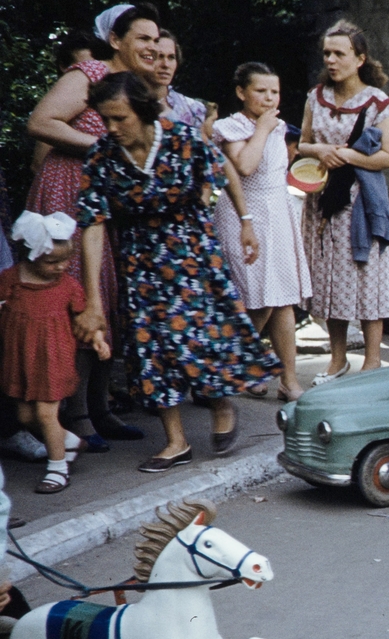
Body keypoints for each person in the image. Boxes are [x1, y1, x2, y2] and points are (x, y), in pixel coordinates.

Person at [77, 73, 279, 472]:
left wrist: (246, 221)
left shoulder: (181, 139)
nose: (112, 128)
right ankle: (176, 441)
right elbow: (93, 223)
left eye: (121, 118)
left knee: (195, 335)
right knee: (150, 347)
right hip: (139, 260)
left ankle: (222, 404)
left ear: (144, 111)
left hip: (190, 253)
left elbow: (221, 168)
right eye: (106, 119)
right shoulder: (101, 156)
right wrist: (93, 301)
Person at [24, 2, 161, 444]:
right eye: (142, 38)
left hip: (110, 202)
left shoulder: (136, 87)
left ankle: (101, 408)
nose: (152, 47)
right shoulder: (87, 74)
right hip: (70, 193)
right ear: (116, 40)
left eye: (156, 40)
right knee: (80, 296)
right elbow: (41, 121)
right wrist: (104, 151)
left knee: (109, 296)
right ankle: (76, 415)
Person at [297, 20, 389, 381]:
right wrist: (322, 150)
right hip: (323, 202)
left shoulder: (376, 102)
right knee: (328, 280)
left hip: (360, 204)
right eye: (327, 53)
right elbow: (302, 144)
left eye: (339, 53)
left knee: (367, 277)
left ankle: (372, 363)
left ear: (359, 59)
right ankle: (337, 360)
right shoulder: (316, 97)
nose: (331, 60)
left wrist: (348, 156)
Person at [214, 62, 313, 402]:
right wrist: (263, 129)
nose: (269, 98)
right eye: (261, 91)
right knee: (256, 300)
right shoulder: (231, 127)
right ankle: (232, 368)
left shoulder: (279, 125)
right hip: (245, 215)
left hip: (279, 213)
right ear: (242, 93)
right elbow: (244, 166)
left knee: (283, 299)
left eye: (275, 92)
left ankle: (289, 380)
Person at [1, 213, 111, 494]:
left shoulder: (67, 286)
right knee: (26, 417)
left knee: (47, 414)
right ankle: (70, 442)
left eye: (65, 261)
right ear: (31, 254)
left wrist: (98, 339)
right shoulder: (11, 279)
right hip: (22, 358)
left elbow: (82, 317)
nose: (61, 267)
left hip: (53, 358)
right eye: (52, 262)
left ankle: (58, 468)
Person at [151, 31, 208, 131]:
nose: (165, 64)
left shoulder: (193, 108)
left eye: (171, 57)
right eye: (159, 56)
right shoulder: (128, 104)